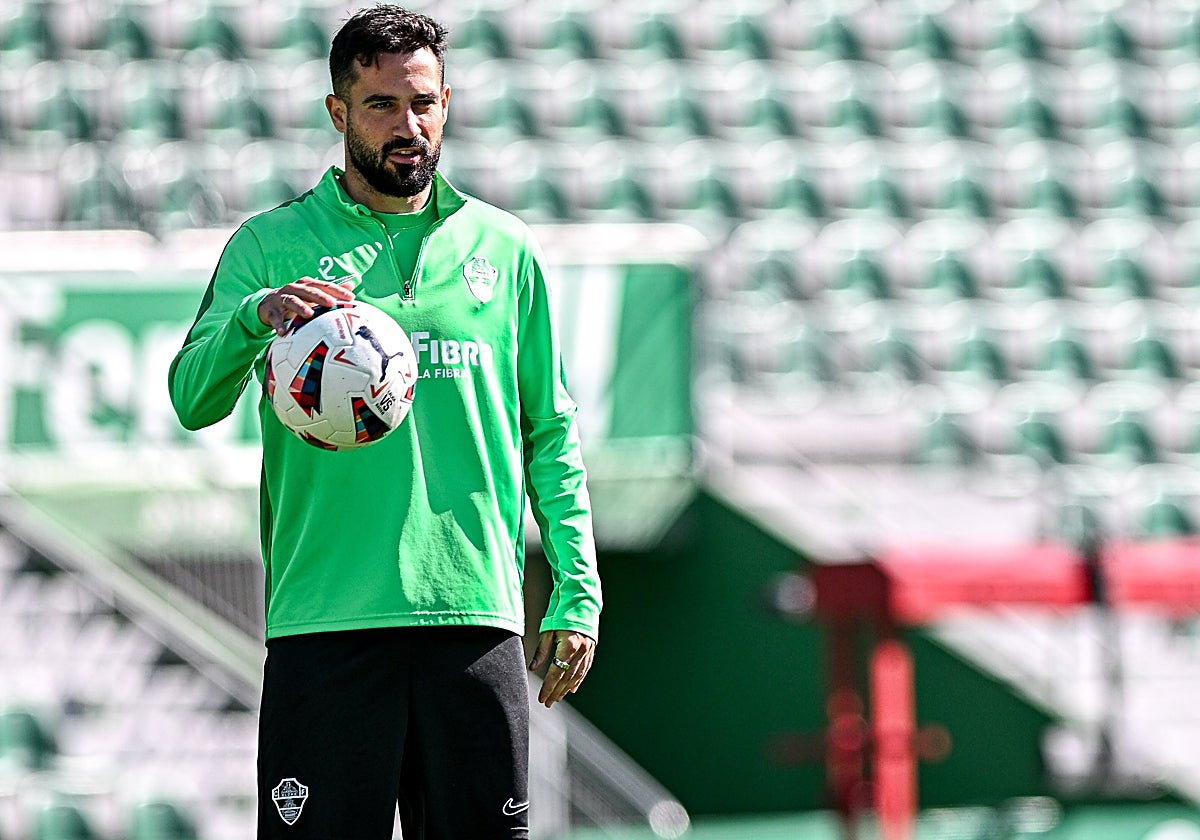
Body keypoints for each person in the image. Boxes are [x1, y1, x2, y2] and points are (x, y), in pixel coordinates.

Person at [167, 6, 601, 838]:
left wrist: (576, 590)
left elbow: (550, 429)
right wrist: (260, 315)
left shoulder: (505, 250)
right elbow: (193, 399)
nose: (409, 127)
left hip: (472, 618)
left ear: (447, 103)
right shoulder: (270, 244)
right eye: (381, 106)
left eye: (425, 103)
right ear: (338, 113)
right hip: (326, 622)